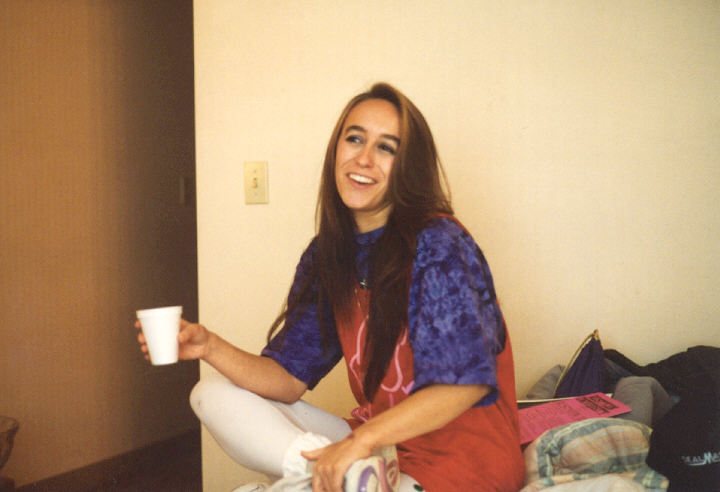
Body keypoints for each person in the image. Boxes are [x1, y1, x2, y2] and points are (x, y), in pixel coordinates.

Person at [135, 83, 525, 492]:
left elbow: (466, 383)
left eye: (386, 148)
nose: (363, 158)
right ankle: (341, 480)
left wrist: (361, 441)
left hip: (467, 463)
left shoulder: (439, 242)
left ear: (408, 166)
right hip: (385, 452)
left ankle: (344, 481)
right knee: (211, 393)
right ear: (336, 149)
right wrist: (208, 345)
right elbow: (287, 379)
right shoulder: (329, 255)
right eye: (354, 139)